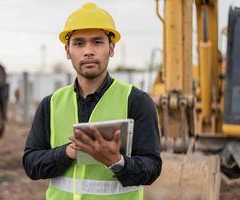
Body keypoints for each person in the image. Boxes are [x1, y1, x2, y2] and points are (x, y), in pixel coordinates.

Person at [22, 2, 161, 200]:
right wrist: (66, 153)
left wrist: (117, 161)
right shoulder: (50, 104)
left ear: (111, 48)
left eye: (97, 42)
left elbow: (152, 168)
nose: (88, 51)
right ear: (67, 51)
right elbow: (31, 164)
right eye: (79, 43)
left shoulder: (136, 101)